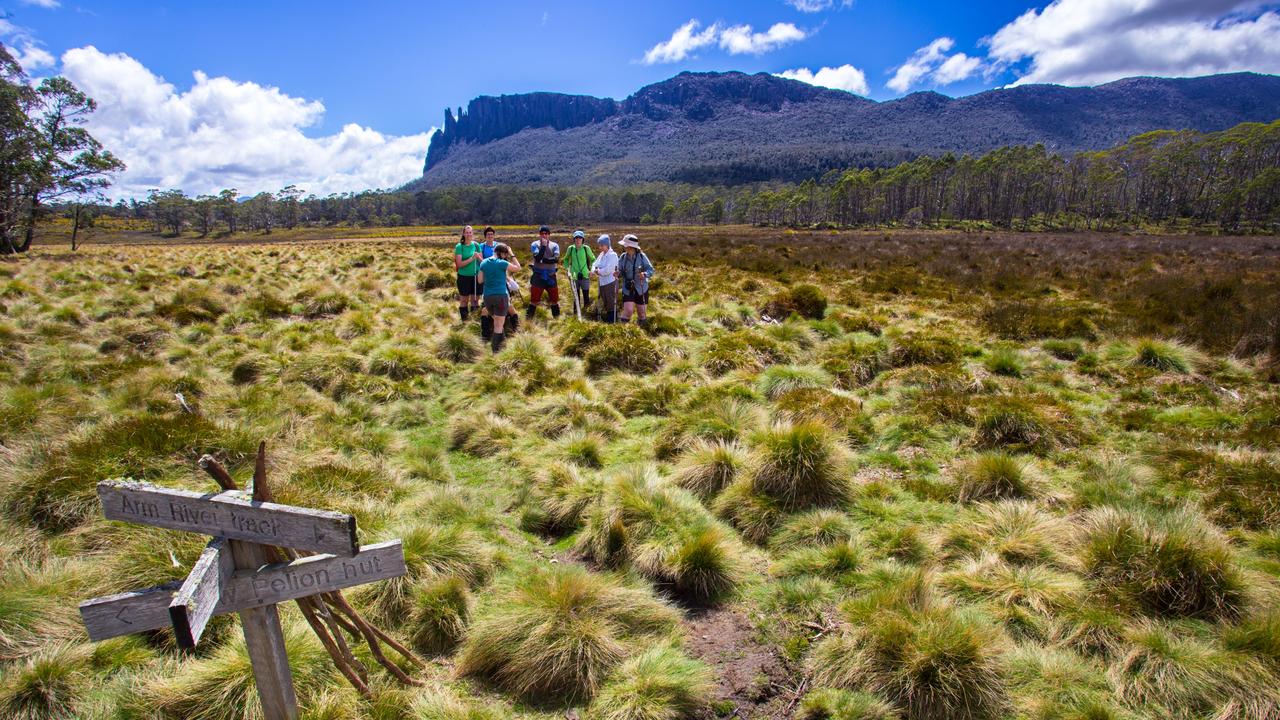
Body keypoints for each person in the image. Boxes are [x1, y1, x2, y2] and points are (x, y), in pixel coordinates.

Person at [477, 243, 521, 353]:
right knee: (498, 326)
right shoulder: (502, 263)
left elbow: (480, 280)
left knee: (497, 323)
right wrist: (512, 254)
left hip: (487, 297)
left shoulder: (484, 262)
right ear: (501, 253)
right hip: (501, 297)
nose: (506, 257)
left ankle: (503, 347)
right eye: (505, 255)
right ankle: (495, 353)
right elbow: (518, 268)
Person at [615, 234, 654, 327]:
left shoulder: (642, 256)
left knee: (642, 313)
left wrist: (644, 274)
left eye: (625, 244)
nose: (624, 246)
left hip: (641, 287)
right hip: (628, 288)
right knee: (628, 311)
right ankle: (622, 331)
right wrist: (618, 273)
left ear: (631, 246)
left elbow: (651, 270)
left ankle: (641, 332)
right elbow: (620, 272)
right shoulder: (623, 257)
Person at [527, 225, 561, 320]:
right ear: (539, 234)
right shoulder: (535, 244)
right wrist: (544, 246)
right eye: (542, 233)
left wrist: (542, 260)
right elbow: (537, 257)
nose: (544, 235)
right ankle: (528, 321)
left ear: (549, 234)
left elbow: (556, 259)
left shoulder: (555, 245)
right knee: (534, 300)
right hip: (538, 276)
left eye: (546, 233)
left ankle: (557, 320)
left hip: (551, 275)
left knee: (554, 299)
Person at [453, 225, 483, 322]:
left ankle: (474, 322)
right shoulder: (459, 246)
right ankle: (465, 322)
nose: (469, 234)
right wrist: (472, 258)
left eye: (470, 232)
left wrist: (477, 257)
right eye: (467, 232)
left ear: (472, 233)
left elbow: (482, 262)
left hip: (476, 276)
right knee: (464, 300)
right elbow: (459, 264)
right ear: (463, 234)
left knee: (475, 300)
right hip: (464, 277)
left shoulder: (477, 245)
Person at [564, 229, 596, 318]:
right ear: (574, 239)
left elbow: (593, 259)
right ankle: (576, 315)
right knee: (576, 296)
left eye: (580, 238)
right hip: (574, 277)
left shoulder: (586, 248)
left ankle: (586, 314)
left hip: (585, 275)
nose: (578, 240)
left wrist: (592, 270)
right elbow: (566, 259)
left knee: (586, 296)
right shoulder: (570, 249)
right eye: (576, 238)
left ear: (583, 239)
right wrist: (568, 269)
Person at [589, 234, 619, 323]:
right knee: (606, 302)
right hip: (602, 283)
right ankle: (609, 321)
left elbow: (609, 269)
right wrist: (594, 270)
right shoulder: (602, 254)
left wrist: (598, 271)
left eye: (602, 245)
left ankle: (613, 322)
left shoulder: (613, 255)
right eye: (600, 245)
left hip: (610, 282)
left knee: (611, 303)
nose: (600, 247)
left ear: (607, 245)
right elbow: (595, 264)